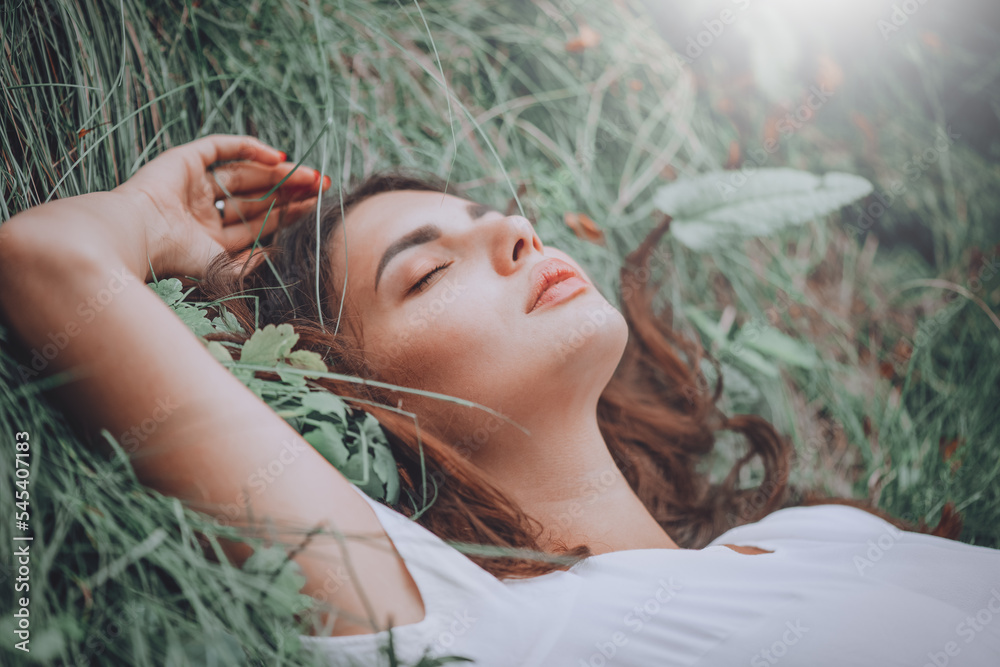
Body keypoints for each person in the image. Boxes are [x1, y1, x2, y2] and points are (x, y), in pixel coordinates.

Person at [1, 134, 998, 667]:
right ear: (356, 394)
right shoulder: (469, 623)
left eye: (493, 217)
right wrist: (147, 215)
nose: (519, 231)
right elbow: (45, 264)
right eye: (427, 272)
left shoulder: (813, 529)